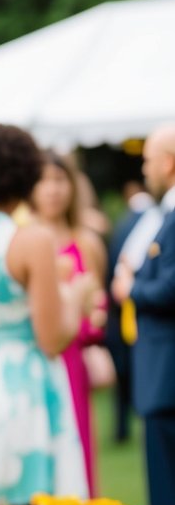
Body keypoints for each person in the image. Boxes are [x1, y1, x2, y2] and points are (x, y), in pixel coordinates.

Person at [0, 124, 95, 505]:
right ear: (23, 173)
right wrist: (75, 296)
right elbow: (52, 339)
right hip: (25, 391)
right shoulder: (31, 240)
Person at [29, 150, 108, 495]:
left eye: (59, 180)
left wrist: (91, 312)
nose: (52, 190)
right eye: (44, 181)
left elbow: (99, 307)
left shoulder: (86, 242)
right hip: (34, 360)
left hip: (73, 358)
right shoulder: (24, 239)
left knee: (77, 443)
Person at [112, 123, 175, 505]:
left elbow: (169, 290)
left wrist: (129, 288)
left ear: (169, 163)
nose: (145, 170)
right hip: (161, 372)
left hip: (167, 374)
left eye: (149, 160)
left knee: (166, 498)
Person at [105, 180, 155, 442]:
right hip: (137, 308)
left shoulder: (122, 222)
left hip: (119, 308)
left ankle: (121, 428)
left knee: (122, 371)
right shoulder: (150, 221)